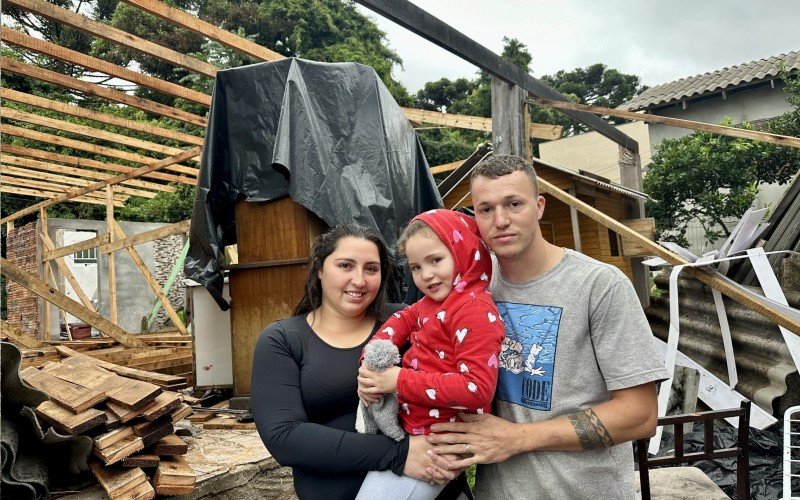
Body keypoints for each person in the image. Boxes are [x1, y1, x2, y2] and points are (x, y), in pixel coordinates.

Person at [426, 155, 670, 499]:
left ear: (539, 206)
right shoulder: (469, 286)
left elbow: (640, 414)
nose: (501, 220)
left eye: (514, 204)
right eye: (485, 209)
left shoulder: (598, 285)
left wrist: (518, 438)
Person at [251, 224, 468, 500]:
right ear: (319, 269)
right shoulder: (283, 340)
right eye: (345, 265)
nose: (359, 280)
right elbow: (284, 437)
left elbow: (459, 383)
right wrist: (397, 455)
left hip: (428, 486)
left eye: (371, 269)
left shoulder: (409, 323)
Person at [355, 210, 506, 499]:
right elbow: (399, 322)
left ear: (462, 253)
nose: (426, 275)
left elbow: (477, 390)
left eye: (436, 260)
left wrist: (397, 381)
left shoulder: (473, 310)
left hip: (439, 444)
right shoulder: (432, 302)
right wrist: (371, 362)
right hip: (417, 432)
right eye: (415, 267)